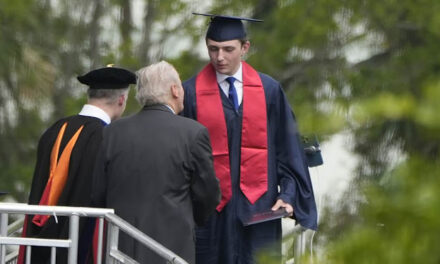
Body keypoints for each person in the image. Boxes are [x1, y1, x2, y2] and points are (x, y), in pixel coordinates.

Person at [182, 13, 318, 263]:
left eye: (227, 49)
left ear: (245, 48)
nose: (219, 57)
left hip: (259, 212)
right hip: (211, 216)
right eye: (213, 49)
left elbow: (287, 151)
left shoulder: (269, 91)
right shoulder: (190, 93)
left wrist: (287, 196)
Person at [91, 61, 221, 264]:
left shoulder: (112, 132)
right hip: (171, 249)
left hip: (120, 249)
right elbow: (209, 194)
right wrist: (188, 218)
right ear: (175, 90)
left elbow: (98, 193)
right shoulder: (193, 133)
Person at [19, 65, 136, 264]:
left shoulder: (55, 130)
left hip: (41, 241)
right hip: (83, 245)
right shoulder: (109, 137)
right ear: (121, 100)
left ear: (89, 94)